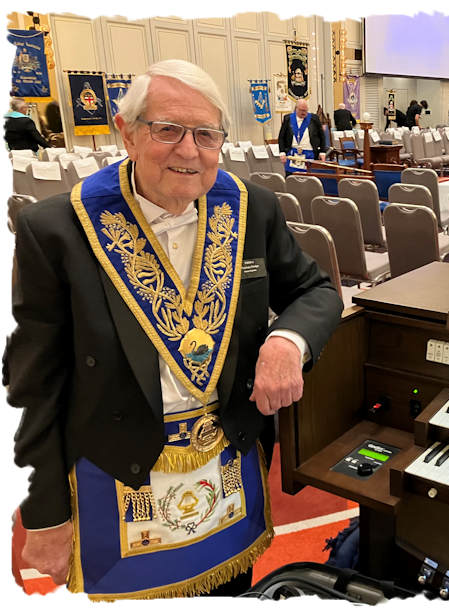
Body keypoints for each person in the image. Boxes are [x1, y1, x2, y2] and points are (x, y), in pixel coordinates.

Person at [5, 59, 343, 600]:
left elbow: (317, 291)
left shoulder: (253, 208)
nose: (190, 151)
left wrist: (287, 341)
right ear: (127, 132)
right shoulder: (56, 230)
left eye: (206, 134)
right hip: (116, 476)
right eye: (168, 130)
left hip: (229, 469)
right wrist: (43, 514)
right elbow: (32, 386)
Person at [278, 99, 326, 172]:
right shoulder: (288, 118)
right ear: (296, 109)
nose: (304, 113)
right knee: (291, 179)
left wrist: (322, 152)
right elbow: (281, 137)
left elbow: (322, 136)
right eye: (301, 110)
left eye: (305, 110)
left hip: (310, 154)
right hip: (292, 154)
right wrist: (282, 152)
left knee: (309, 180)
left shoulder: (314, 118)